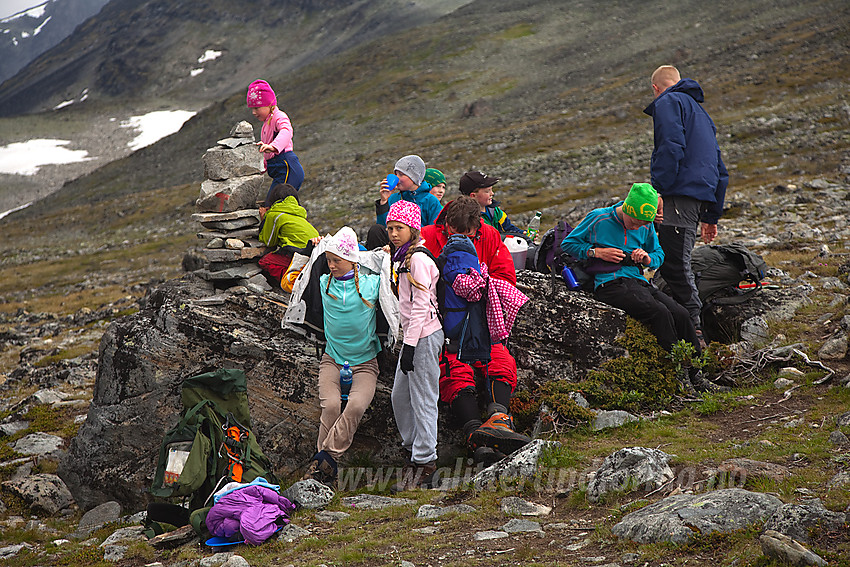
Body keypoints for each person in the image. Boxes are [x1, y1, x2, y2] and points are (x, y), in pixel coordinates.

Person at [561, 183, 710, 389]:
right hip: (608, 284)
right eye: (634, 222)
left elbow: (659, 255)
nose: (636, 227)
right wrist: (596, 252)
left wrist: (647, 259)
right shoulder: (599, 218)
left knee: (682, 314)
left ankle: (697, 373)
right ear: (627, 208)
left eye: (642, 224)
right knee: (659, 312)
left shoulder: (646, 225)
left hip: (638, 281)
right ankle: (678, 375)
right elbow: (568, 244)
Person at [420, 196, 530, 463]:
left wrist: (479, 286)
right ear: (446, 224)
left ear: (477, 228)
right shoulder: (426, 237)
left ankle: (498, 419)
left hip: (480, 320)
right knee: (454, 370)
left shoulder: (490, 236)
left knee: (499, 359)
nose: (461, 239)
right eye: (454, 234)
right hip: (443, 325)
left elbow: (506, 276)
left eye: (468, 235)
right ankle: (475, 434)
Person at [644, 65, 729, 344]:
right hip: (695, 200)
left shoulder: (668, 101)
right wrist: (712, 215)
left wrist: (658, 189)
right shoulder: (701, 114)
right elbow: (720, 168)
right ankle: (691, 329)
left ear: (656, 88)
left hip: (677, 196)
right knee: (675, 262)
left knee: (674, 266)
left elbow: (670, 145)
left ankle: (695, 337)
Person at [302, 227, 383, 487]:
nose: (332, 265)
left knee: (356, 406)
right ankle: (325, 471)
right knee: (331, 406)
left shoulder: (373, 284)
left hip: (366, 364)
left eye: (337, 260)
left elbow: (389, 271)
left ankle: (323, 461)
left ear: (353, 259)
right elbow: (301, 274)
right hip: (332, 359)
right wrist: (312, 248)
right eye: (329, 260)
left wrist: (386, 253)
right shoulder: (324, 284)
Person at [384, 201, 444, 491]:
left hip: (424, 336)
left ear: (413, 229)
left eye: (399, 228)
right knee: (400, 397)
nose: (394, 233)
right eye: (390, 228)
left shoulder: (417, 259)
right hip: (413, 336)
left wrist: (408, 346)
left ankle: (426, 463)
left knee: (423, 398)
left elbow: (421, 305)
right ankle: (414, 451)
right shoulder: (402, 257)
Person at [246, 79, 306, 207]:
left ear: (269, 104)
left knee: (274, 206)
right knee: (274, 206)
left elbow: (287, 131)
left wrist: (274, 146)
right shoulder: (266, 124)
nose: (254, 112)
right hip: (282, 171)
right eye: (252, 108)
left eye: (257, 108)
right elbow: (269, 154)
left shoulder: (279, 116)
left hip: (287, 168)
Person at [365, 155, 443, 250]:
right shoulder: (393, 198)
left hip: (419, 247)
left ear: (414, 177)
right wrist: (384, 202)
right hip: (392, 245)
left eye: (401, 174)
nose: (397, 178)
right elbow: (384, 227)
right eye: (396, 174)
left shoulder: (431, 201)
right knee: (376, 230)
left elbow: (434, 232)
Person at [257, 184, 319, 285]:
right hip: (313, 255)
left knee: (265, 261)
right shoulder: (300, 215)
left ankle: (293, 282)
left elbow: (268, 242)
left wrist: (264, 220)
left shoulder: (275, 215)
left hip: (297, 254)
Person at [459, 171, 528, 240]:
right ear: (473, 196)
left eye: (491, 190)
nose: (492, 193)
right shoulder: (467, 219)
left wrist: (524, 235)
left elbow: (508, 228)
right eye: (487, 191)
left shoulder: (494, 210)